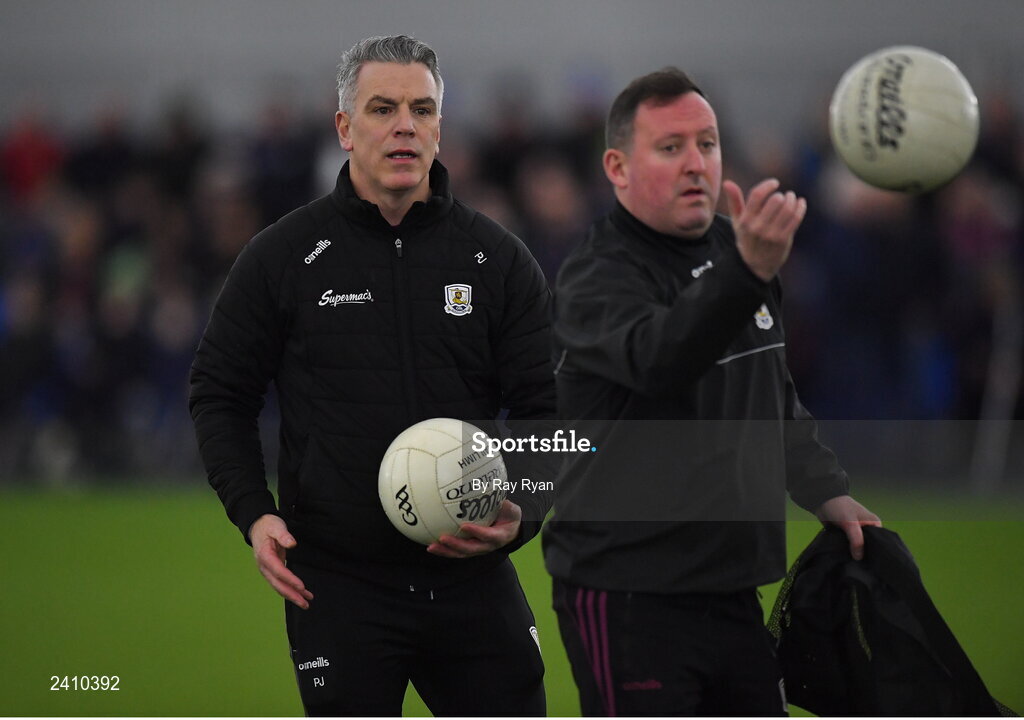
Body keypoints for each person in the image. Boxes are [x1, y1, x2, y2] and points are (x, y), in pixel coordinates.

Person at [189, 35, 553, 717]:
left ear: (441, 128)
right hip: (338, 586)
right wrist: (254, 513)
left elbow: (550, 407)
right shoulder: (282, 257)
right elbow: (219, 393)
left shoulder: (496, 259)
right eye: (383, 108)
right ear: (344, 127)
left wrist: (525, 509)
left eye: (421, 109)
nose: (404, 126)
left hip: (472, 582)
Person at [542, 67, 882, 716]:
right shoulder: (596, 275)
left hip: (732, 591)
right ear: (617, 167)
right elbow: (661, 360)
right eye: (670, 148)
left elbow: (771, 389)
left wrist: (826, 490)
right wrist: (748, 272)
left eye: (707, 143)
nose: (696, 163)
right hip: (628, 597)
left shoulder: (739, 252)